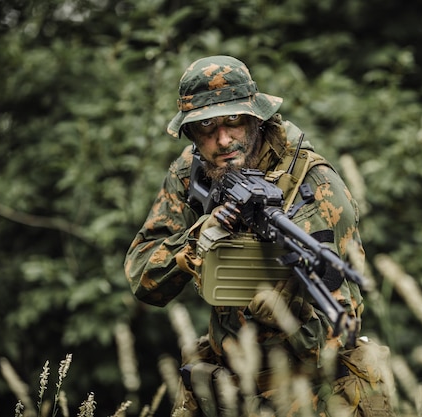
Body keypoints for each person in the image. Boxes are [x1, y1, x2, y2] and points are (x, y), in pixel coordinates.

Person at [124, 55, 395, 416]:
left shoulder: (317, 188)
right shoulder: (192, 170)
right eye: (206, 127)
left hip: (309, 394)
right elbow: (143, 277)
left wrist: (289, 315)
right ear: (190, 133)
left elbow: (338, 336)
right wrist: (198, 237)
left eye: (234, 120)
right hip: (227, 389)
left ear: (256, 116)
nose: (223, 140)